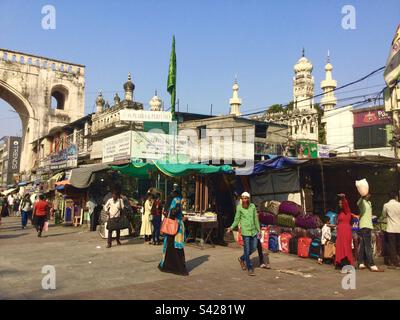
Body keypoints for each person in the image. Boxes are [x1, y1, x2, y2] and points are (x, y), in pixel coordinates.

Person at [226, 192, 260, 276]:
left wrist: (258, 230)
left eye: (245, 198)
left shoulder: (252, 206)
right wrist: (231, 227)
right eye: (243, 198)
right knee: (247, 250)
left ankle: (241, 258)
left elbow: (255, 219)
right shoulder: (239, 208)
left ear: (248, 199)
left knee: (254, 248)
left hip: (254, 231)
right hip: (245, 231)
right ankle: (250, 268)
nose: (244, 200)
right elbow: (236, 219)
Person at [158, 189, 189, 276]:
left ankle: (168, 266)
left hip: (170, 227)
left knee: (169, 247)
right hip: (176, 227)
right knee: (177, 248)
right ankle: (178, 268)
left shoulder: (170, 200)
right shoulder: (177, 200)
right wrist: (180, 218)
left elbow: (167, 212)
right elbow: (174, 211)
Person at [357, 193, 384, 272]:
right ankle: (372, 265)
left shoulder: (369, 203)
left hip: (368, 225)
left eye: (369, 194)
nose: (369, 195)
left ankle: (360, 262)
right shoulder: (362, 202)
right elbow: (358, 203)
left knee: (363, 245)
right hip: (365, 226)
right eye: (367, 194)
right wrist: (362, 196)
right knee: (368, 246)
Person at [382, 191, 400, 269]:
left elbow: (383, 215)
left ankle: (394, 263)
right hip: (399, 228)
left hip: (391, 229)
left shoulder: (386, 205)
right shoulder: (399, 205)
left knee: (392, 246)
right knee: (399, 245)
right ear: (396, 197)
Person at [335, 194, 353, 269]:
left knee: (345, 246)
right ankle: (340, 263)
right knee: (340, 247)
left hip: (346, 231)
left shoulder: (347, 211)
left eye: (341, 203)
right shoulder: (340, 213)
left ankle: (346, 263)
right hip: (340, 232)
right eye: (339, 203)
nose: (340, 205)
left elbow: (346, 204)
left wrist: (343, 198)